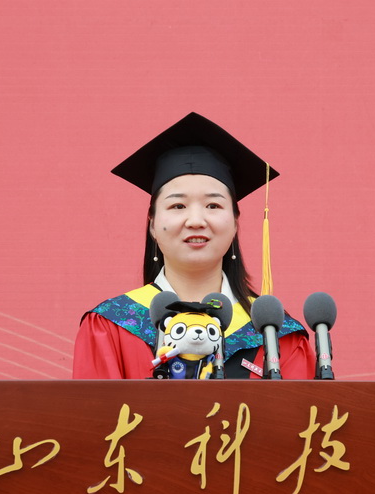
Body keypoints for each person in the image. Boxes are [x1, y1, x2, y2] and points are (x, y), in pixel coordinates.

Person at [73, 112, 315, 379]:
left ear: (235, 222)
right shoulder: (112, 326)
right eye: (178, 206)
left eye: (213, 205)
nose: (196, 220)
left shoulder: (275, 335)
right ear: (153, 224)